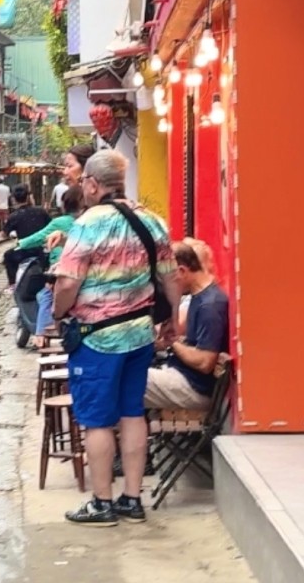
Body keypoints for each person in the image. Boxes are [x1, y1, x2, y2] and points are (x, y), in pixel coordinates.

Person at [51, 150, 179, 527]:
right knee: (133, 414)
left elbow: (67, 282)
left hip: (97, 339)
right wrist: (171, 321)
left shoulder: (88, 224)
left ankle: (102, 503)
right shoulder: (152, 221)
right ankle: (132, 501)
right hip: (140, 334)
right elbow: (171, 278)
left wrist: (59, 312)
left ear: (92, 183)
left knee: (97, 422)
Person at [145, 240, 229, 411]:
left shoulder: (210, 305)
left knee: (126, 381)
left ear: (182, 271)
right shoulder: (201, 296)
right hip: (183, 377)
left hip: (193, 387)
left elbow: (205, 362)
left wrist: (173, 343)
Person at [15, 185, 84, 346]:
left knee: (44, 295)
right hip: (82, 269)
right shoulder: (88, 220)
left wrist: (21, 243)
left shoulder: (61, 222)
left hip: (61, 269)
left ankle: (41, 335)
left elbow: (39, 237)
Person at [1, 185, 52, 286]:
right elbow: (51, 226)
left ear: (14, 199)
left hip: (24, 250)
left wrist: (11, 235)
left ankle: (12, 283)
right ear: (28, 197)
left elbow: (4, 235)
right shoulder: (41, 212)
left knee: (8, 256)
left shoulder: (14, 216)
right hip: (41, 250)